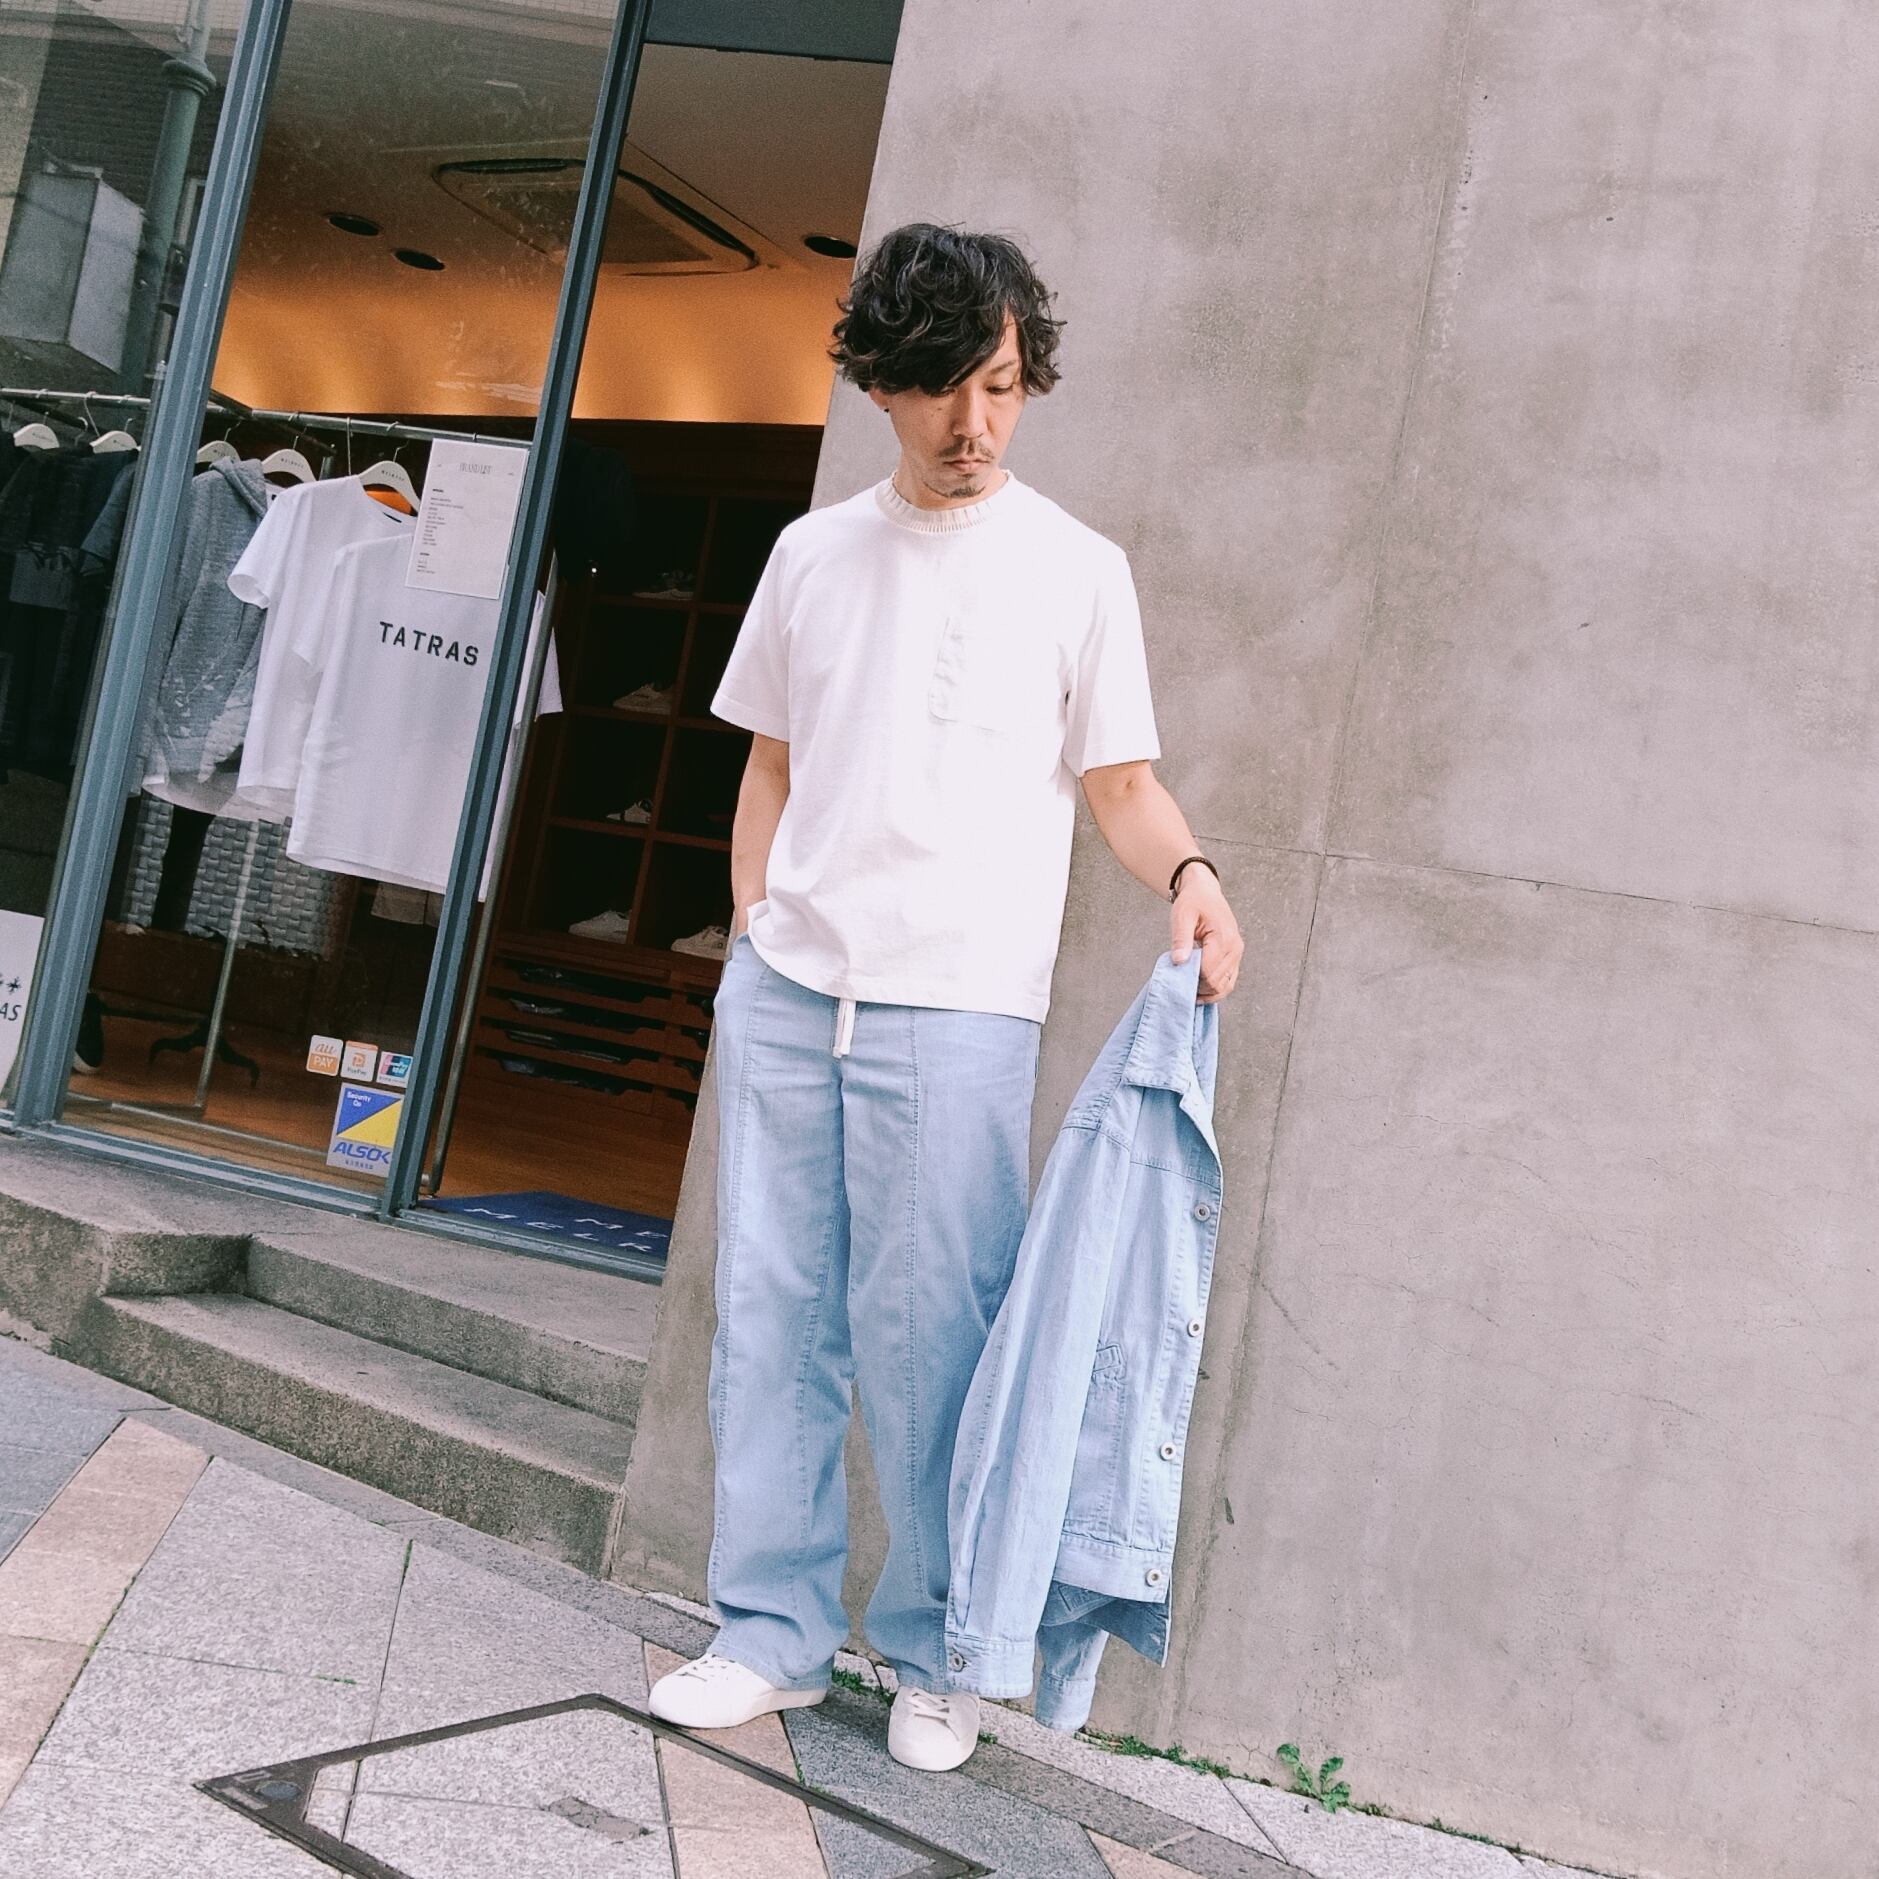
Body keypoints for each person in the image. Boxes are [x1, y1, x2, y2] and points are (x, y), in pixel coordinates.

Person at [649, 223, 1244, 1772]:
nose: (975, 422)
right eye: (942, 389)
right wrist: (755, 930)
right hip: (792, 993)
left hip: (960, 1010)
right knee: (771, 1323)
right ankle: (769, 1634)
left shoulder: (1076, 570)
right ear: (881, 388)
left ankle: (933, 1654)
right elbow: (769, 765)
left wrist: (1191, 877)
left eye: (1001, 384)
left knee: (935, 1348)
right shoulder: (812, 556)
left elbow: (1122, 787)